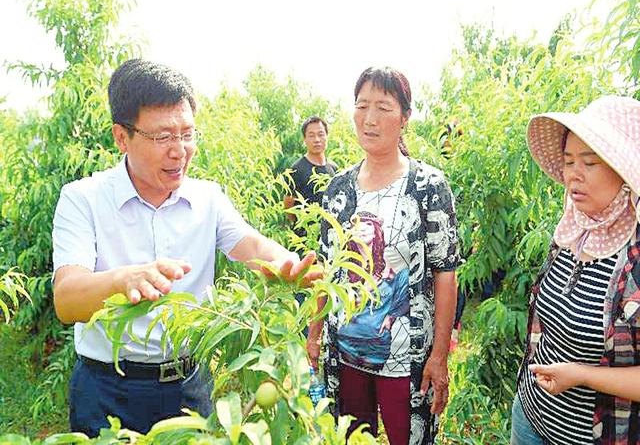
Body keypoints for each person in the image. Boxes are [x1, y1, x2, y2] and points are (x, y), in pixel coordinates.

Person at [52, 59, 320, 436]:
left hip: (189, 387)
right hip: (107, 389)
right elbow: (67, 300)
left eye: (187, 134)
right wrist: (123, 280)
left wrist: (287, 263)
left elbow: (251, 244)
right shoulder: (83, 199)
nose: (180, 150)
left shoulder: (207, 198)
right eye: (163, 137)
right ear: (121, 137)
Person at [306, 67, 460, 445]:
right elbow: (328, 267)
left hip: (405, 356)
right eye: (362, 106)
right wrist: (313, 332)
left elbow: (445, 273)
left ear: (405, 118)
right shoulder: (338, 188)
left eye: (383, 108)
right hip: (345, 351)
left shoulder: (427, 185)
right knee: (351, 437)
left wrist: (439, 356)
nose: (370, 119)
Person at [511, 96, 640, 445]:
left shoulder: (635, 255)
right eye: (568, 161)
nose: (573, 175)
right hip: (531, 416)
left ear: (623, 172)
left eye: (590, 162)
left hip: (590, 435)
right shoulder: (573, 229)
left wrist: (582, 375)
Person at [284, 116, 337, 228]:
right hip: (306, 238)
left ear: (327, 137)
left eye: (321, 134)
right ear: (304, 139)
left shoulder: (334, 168)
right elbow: (288, 205)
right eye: (311, 135)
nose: (317, 140)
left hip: (330, 235)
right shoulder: (296, 170)